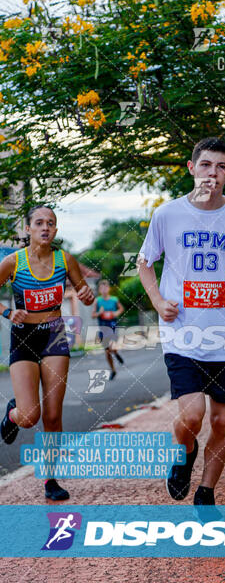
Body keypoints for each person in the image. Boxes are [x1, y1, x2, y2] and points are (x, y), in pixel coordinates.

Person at [138, 137, 225, 515]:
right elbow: (145, 262)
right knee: (192, 416)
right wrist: (158, 301)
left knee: (222, 421)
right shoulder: (167, 215)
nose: (213, 173)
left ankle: (206, 493)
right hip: (183, 334)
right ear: (191, 168)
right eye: (206, 165)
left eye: (220, 167)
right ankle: (184, 455)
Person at [0, 205, 95, 500]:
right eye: (39, 223)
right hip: (23, 337)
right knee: (30, 416)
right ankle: (12, 415)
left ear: (55, 230)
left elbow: (84, 294)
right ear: (27, 229)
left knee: (53, 416)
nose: (45, 228)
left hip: (54, 336)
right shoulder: (12, 262)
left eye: (50, 223)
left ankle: (51, 479)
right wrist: (7, 312)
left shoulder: (64, 259)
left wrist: (86, 295)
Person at [91, 279, 124, 380]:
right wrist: (99, 313)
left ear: (108, 288)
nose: (104, 289)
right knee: (107, 352)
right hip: (103, 328)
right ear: (99, 290)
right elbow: (93, 315)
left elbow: (121, 308)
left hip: (113, 326)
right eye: (102, 288)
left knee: (111, 346)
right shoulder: (97, 301)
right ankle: (113, 370)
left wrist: (116, 313)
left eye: (105, 287)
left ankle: (116, 353)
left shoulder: (114, 299)